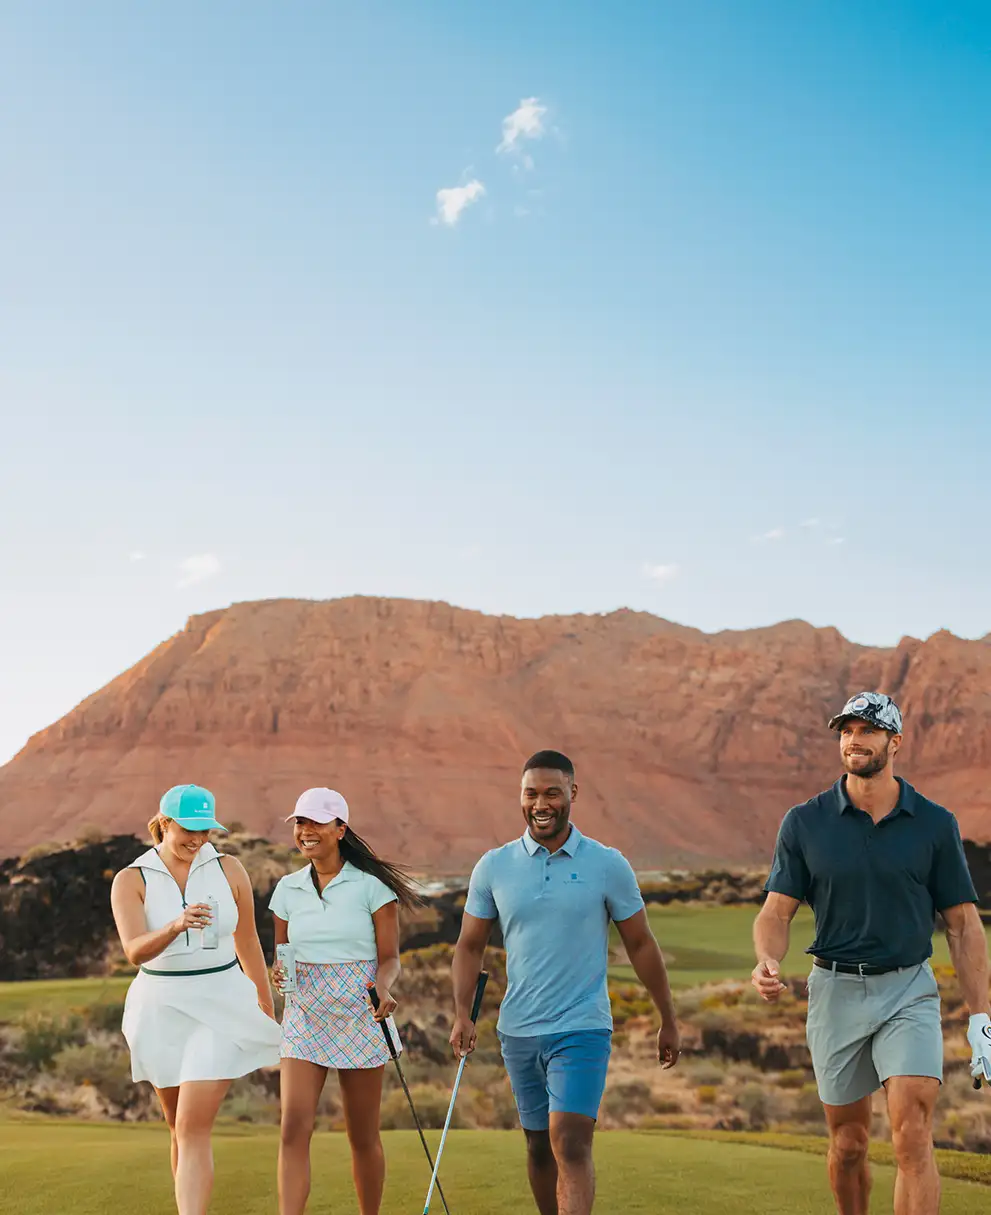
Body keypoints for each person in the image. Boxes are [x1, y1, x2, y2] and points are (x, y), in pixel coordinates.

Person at [752, 692, 991, 1215]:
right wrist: (767, 959)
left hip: (908, 989)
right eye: (846, 731)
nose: (854, 740)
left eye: (867, 730)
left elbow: (963, 925)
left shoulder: (933, 823)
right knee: (850, 1143)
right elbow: (776, 912)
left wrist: (981, 1018)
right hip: (835, 992)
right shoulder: (805, 821)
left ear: (895, 741)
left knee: (912, 1134)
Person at [449, 750, 680, 1215]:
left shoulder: (607, 864)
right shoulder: (494, 866)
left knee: (570, 1141)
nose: (541, 803)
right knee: (538, 1147)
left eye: (552, 792)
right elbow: (469, 946)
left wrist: (667, 1017)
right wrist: (461, 1013)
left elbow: (640, 943)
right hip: (518, 1030)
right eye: (531, 793)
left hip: (582, 1026)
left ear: (572, 793)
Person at [110, 783, 281, 1215]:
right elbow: (133, 951)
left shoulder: (229, 869)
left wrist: (264, 1001)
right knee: (177, 1129)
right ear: (164, 823)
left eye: (206, 830)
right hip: (159, 1007)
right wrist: (175, 926)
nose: (198, 839)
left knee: (191, 1126)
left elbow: (249, 942)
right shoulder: (131, 878)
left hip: (221, 1003)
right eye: (189, 829)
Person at [269, 787, 422, 1215]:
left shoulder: (373, 888)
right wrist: (280, 973)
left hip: (361, 1010)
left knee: (362, 1134)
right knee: (293, 1128)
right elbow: (282, 954)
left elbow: (390, 958)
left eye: (316, 822)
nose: (305, 831)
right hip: (305, 1014)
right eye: (300, 822)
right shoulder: (286, 889)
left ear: (340, 829)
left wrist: (385, 987)